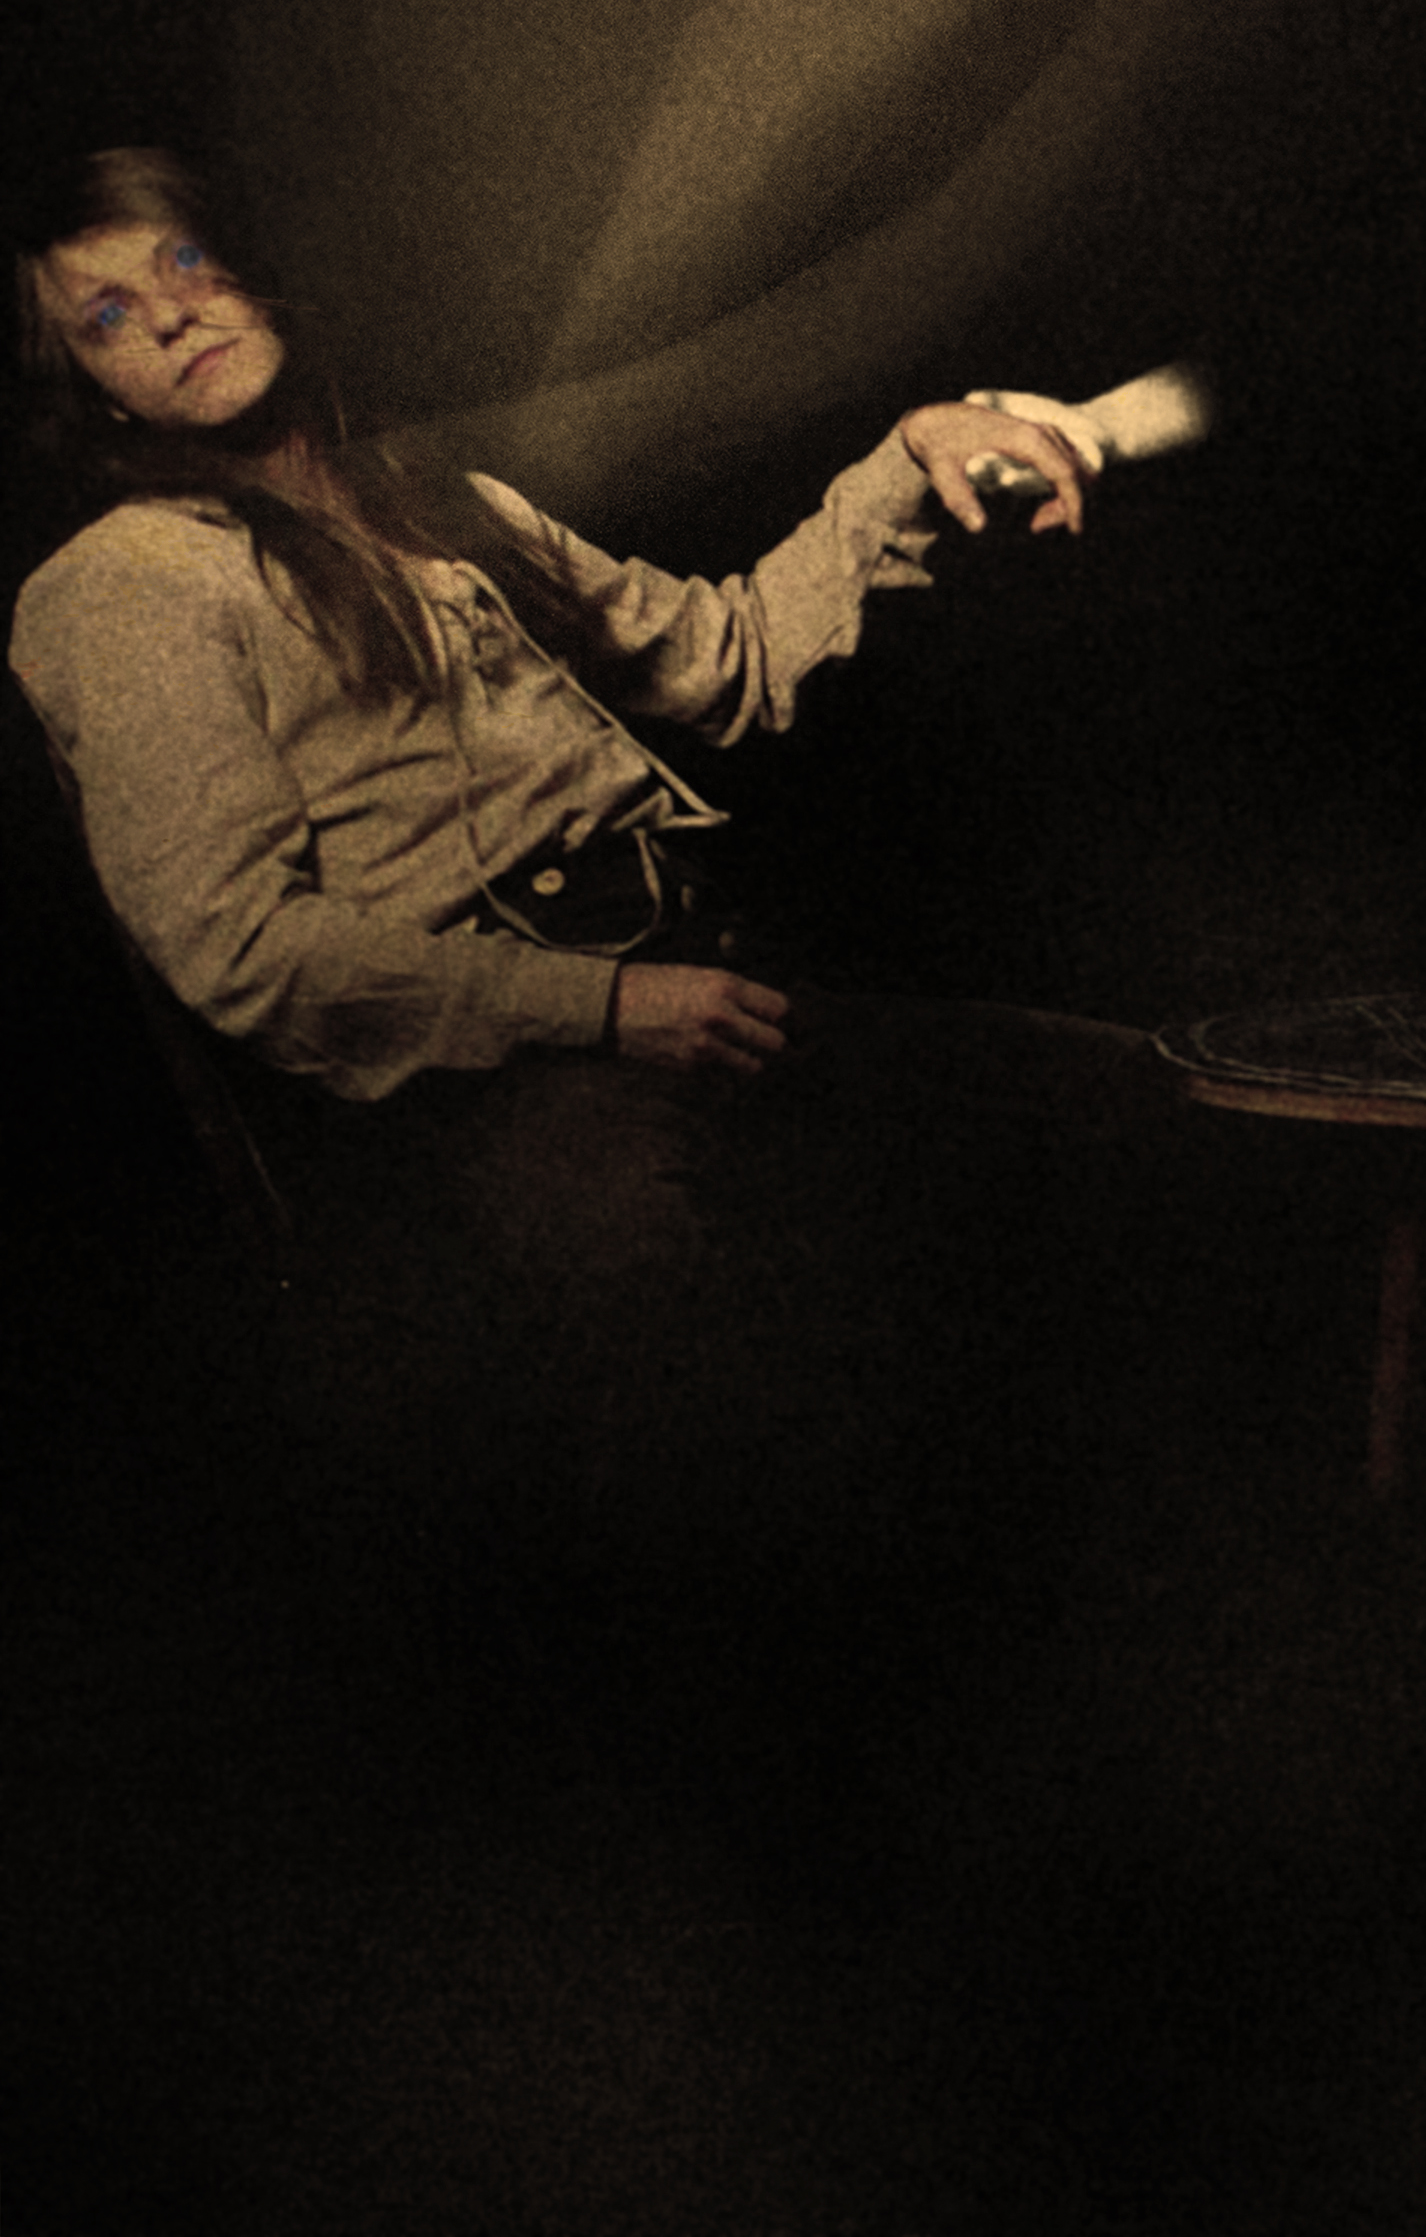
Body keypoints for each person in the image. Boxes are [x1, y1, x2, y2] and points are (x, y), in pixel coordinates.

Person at [8, 145, 1176, 1760]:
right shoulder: (125, 587)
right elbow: (240, 945)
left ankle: (1114, 1675)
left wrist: (908, 456)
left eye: (184, 264)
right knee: (718, 1363)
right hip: (490, 1077)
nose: (168, 319)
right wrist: (604, 1007)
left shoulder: (440, 504)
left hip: (704, 976)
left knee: (1115, 1105)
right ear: (89, 388)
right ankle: (770, 1778)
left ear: (252, 261)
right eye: (107, 318)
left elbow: (731, 657)